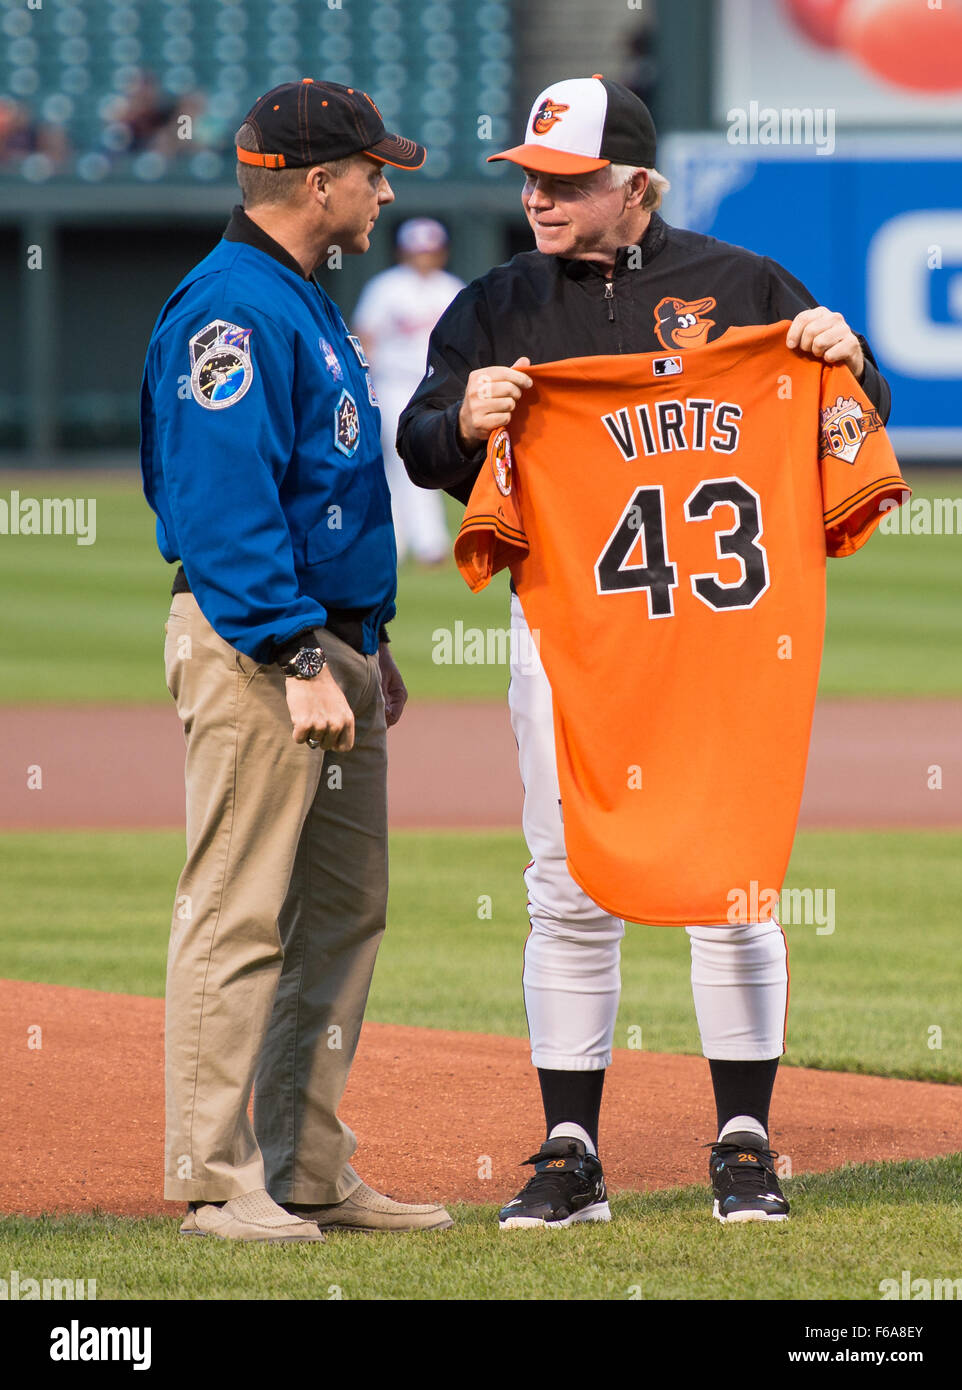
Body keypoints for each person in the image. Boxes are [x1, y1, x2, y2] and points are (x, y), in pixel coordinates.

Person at [398, 74, 894, 1229]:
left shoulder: (744, 288)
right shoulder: (498, 304)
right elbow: (421, 444)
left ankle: (743, 1142)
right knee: (565, 886)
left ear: (639, 185)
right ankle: (570, 1152)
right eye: (530, 176)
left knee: (732, 883)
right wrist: (459, 419)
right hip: (568, 640)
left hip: (721, 647)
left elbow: (849, 420)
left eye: (569, 181)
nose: (540, 196)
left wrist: (848, 356)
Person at [140, 79, 451, 1241]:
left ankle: (308, 1165)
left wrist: (368, 642)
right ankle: (218, 1178)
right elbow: (225, 506)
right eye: (374, 170)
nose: (384, 186)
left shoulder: (301, 298)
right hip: (259, 645)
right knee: (239, 909)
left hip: (331, 644)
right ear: (316, 183)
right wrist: (292, 651)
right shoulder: (233, 308)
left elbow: (317, 490)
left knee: (339, 913)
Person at [353, 218, 465, 565]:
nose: (424, 257)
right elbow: (365, 337)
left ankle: (414, 541)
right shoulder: (386, 287)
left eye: (430, 250)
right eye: (418, 250)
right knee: (398, 459)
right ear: (404, 251)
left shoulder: (452, 288)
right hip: (393, 382)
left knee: (427, 459)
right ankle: (416, 542)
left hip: (436, 385)